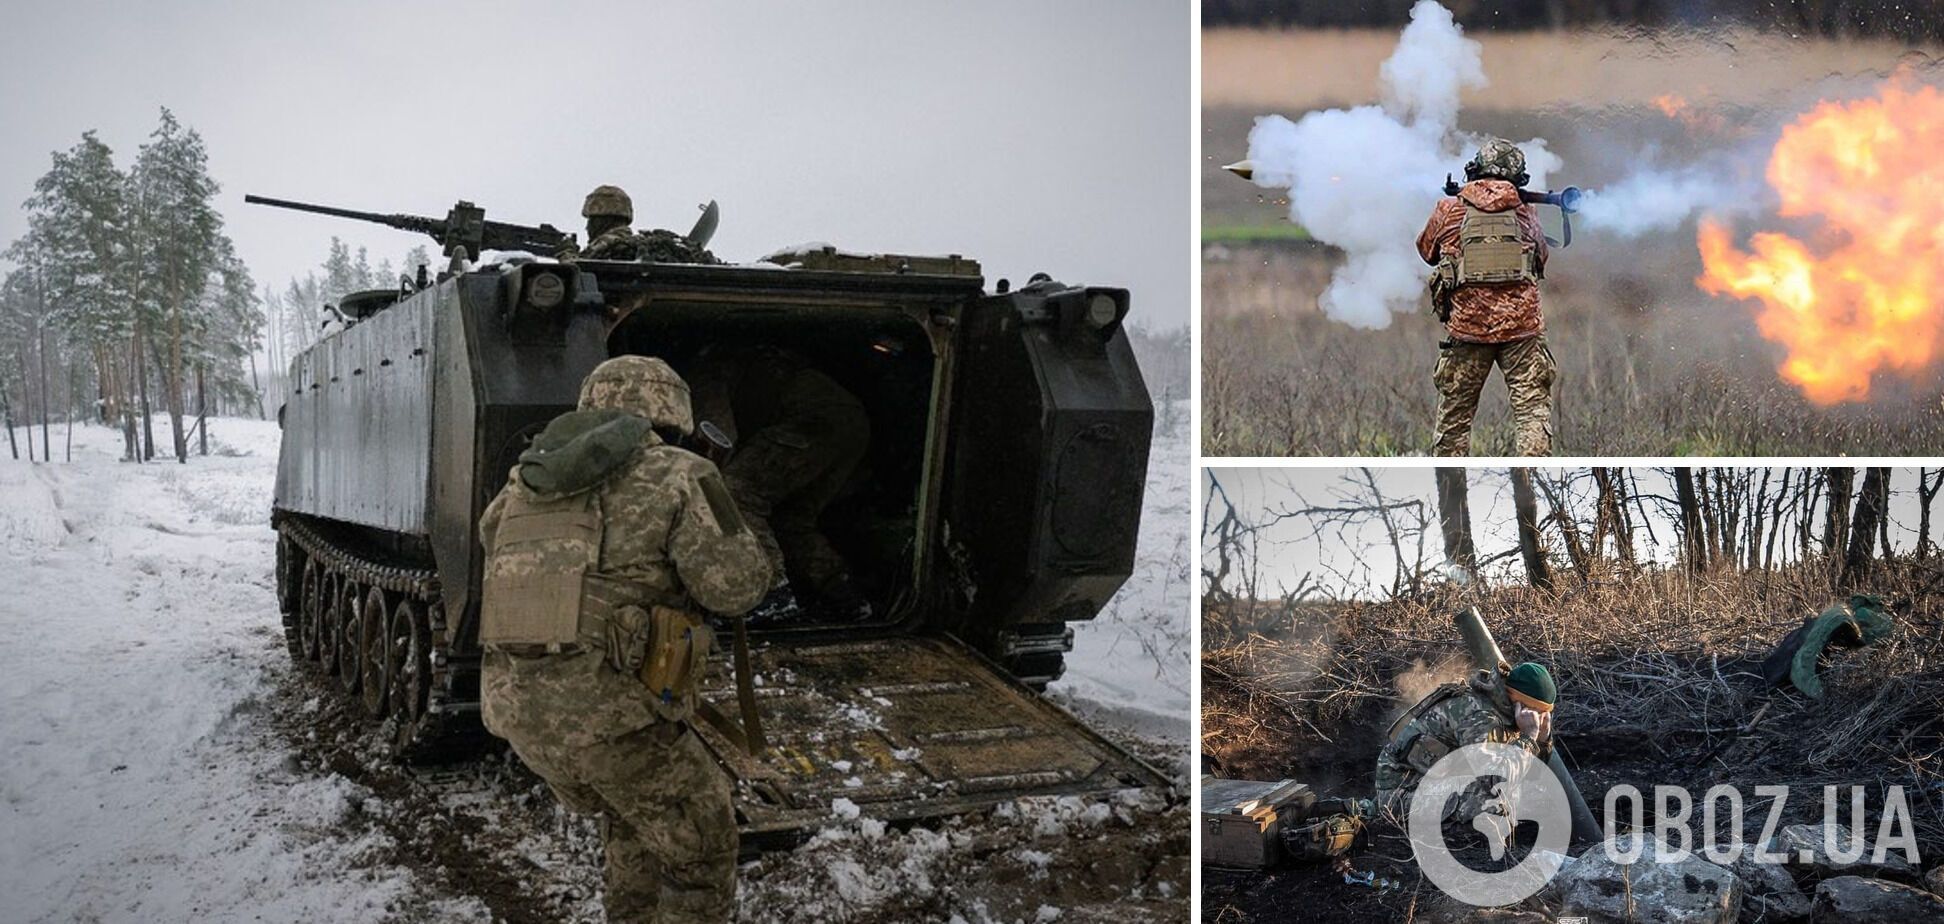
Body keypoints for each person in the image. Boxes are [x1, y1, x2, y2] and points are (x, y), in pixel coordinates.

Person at [477, 355, 769, 923]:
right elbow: (738, 588)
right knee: (703, 848)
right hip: (614, 724)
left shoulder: (522, 483)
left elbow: (504, 553)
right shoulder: (683, 474)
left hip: (522, 716)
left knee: (638, 827)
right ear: (668, 411)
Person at [685, 344, 873, 624]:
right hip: (850, 422)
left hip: (811, 421)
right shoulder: (749, 366)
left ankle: (773, 596)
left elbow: (719, 439)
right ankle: (843, 596)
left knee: (733, 493)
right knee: (791, 519)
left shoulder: (705, 374)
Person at [1418, 139, 1556, 457]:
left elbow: (1427, 250)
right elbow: (1541, 260)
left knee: (1454, 423)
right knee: (1532, 417)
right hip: (1522, 330)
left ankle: (1451, 491)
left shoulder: (1448, 210)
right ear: (1518, 178)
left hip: (1468, 330)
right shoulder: (1525, 212)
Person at [1373, 660, 1556, 827]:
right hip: (1400, 795)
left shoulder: (1504, 712)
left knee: (1534, 794)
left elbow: (1529, 774)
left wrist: (1542, 740)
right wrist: (1529, 737)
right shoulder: (1480, 716)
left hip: (1435, 783)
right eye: (1537, 712)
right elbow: (1496, 782)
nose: (1538, 720)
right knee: (1495, 807)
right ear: (1519, 702)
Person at [564, 184, 721, 264]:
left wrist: (566, 254)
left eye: (592, 220)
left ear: (601, 221)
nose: (587, 227)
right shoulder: (630, 244)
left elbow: (579, 273)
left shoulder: (608, 247)